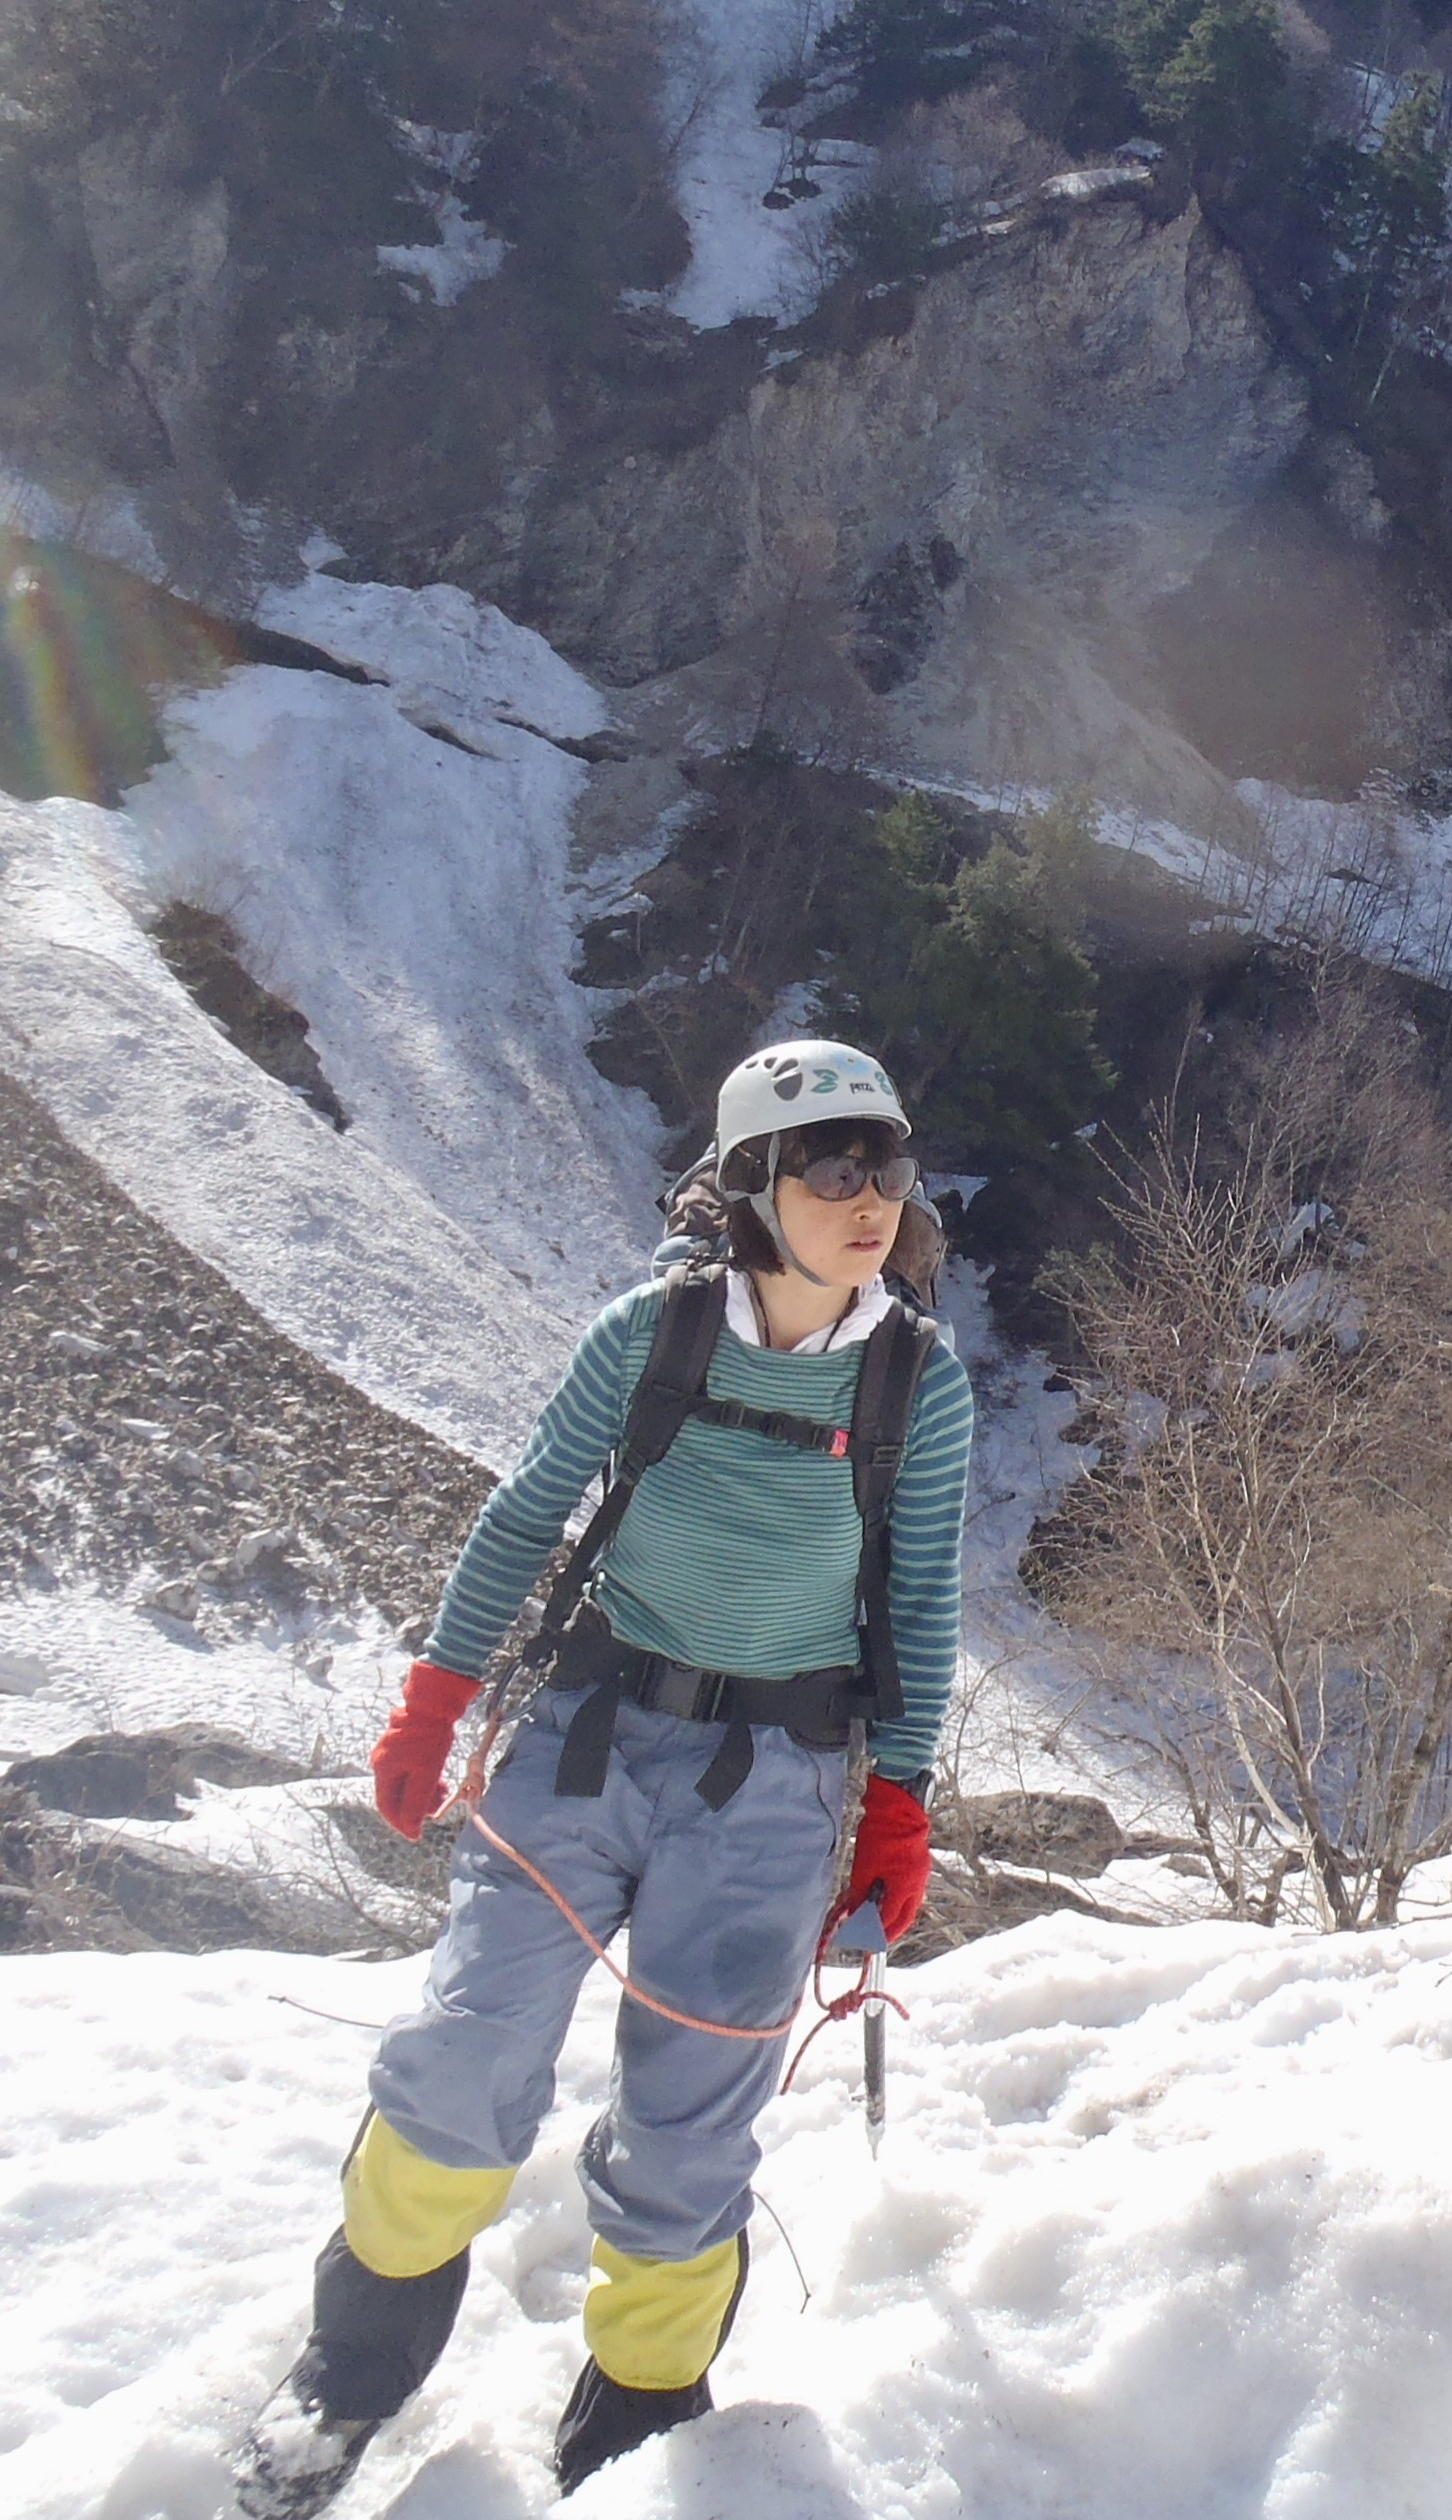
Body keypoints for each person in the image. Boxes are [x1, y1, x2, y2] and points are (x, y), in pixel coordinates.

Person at [230, 1043, 976, 2511]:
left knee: (694, 2122)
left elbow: (920, 1597)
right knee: (464, 2056)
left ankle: (633, 2421)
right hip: (587, 1734)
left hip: (777, 1778)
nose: (870, 1194)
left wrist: (899, 1803)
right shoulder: (652, 1334)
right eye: (830, 1165)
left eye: (887, 1159)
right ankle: (350, 2370)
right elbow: (523, 1514)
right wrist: (432, 1703)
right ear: (755, 1185)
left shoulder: (918, 1383)